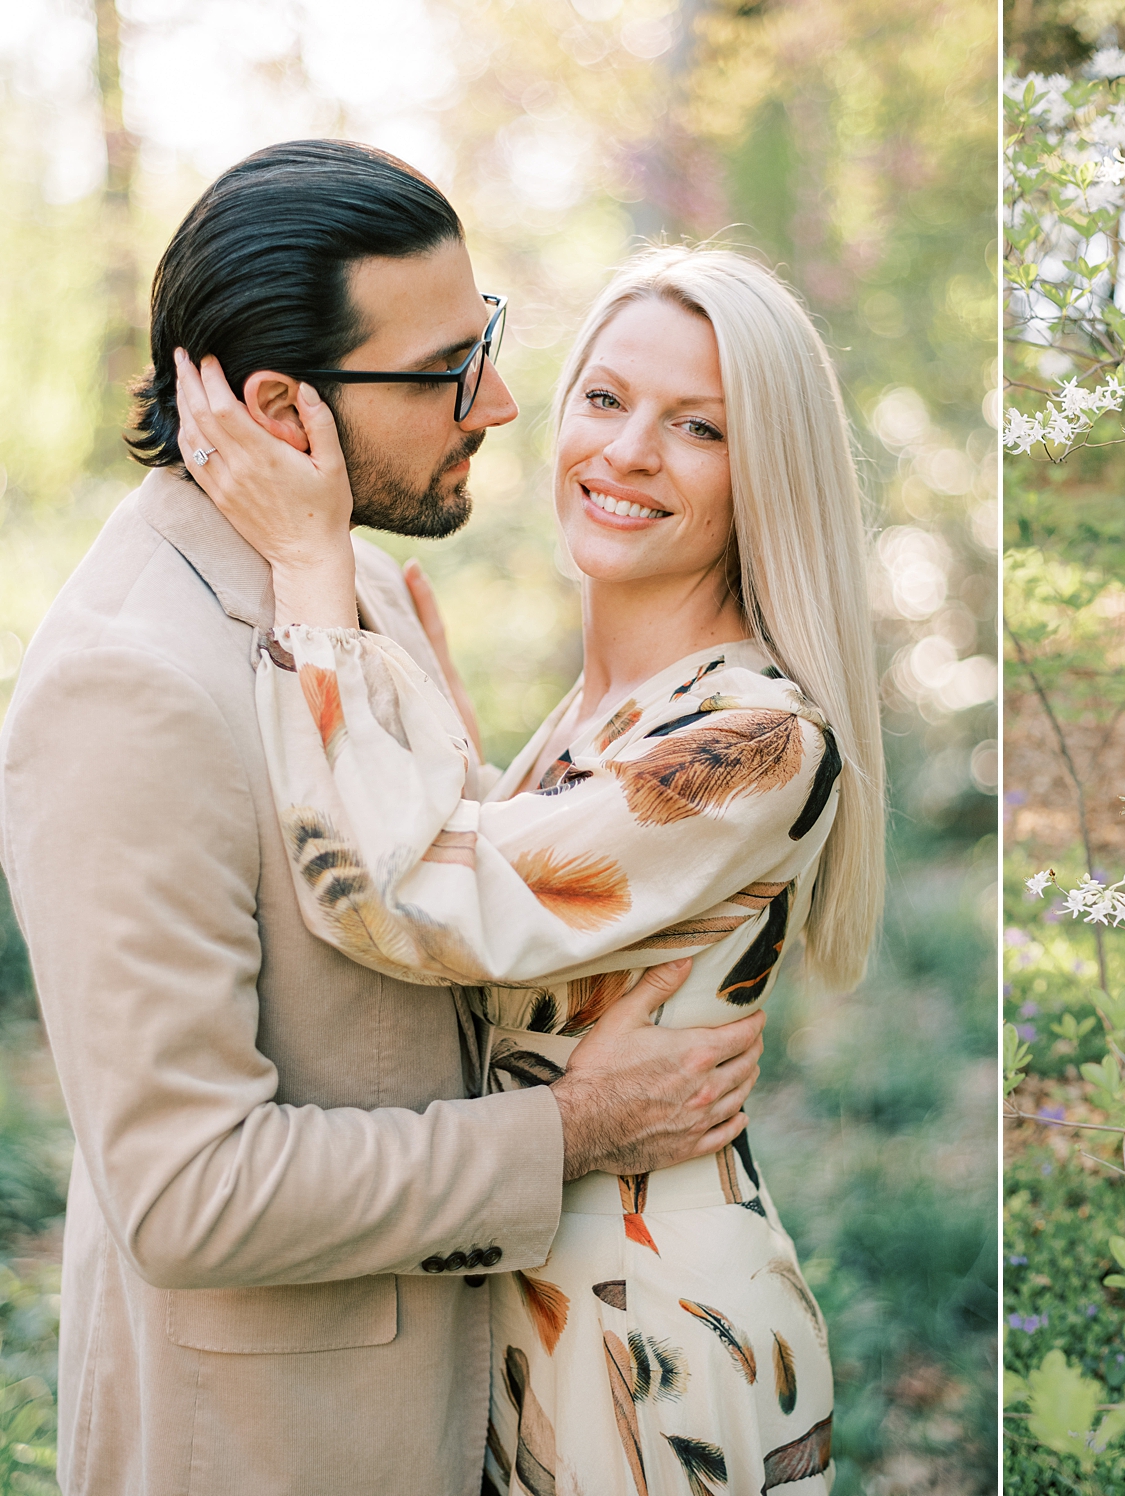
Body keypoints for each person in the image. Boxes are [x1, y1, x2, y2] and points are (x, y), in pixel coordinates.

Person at [0, 142, 768, 1495]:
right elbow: (190, 1192)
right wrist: (573, 1134)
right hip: (277, 1451)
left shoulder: (359, 588)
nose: (505, 404)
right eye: (446, 375)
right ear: (286, 408)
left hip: (474, 1408)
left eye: (491, 344)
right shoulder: (129, 687)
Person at [173, 240, 884, 1496]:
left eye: (698, 427)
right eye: (605, 399)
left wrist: (311, 568)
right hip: (532, 1288)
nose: (625, 453)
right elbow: (516, 899)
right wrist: (451, 745)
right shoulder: (617, 705)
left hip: (648, 1332)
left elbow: (411, 899)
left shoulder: (754, 736)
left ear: (763, 474)